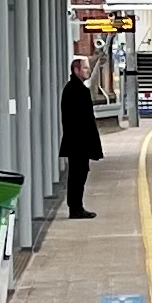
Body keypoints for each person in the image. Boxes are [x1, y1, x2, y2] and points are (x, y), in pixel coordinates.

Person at [60, 59, 103, 217]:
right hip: (79, 142)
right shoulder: (76, 90)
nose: (88, 71)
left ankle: (76, 206)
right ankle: (76, 208)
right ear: (76, 70)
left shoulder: (73, 89)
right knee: (78, 175)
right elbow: (83, 120)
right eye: (85, 68)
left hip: (76, 141)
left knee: (78, 174)